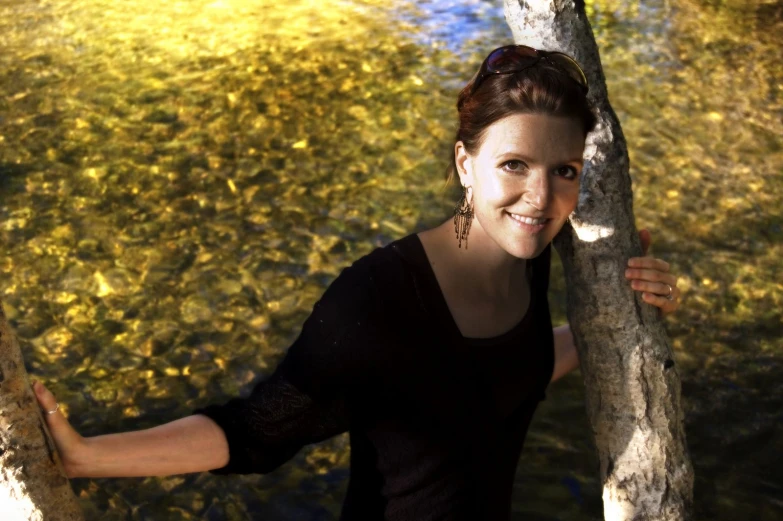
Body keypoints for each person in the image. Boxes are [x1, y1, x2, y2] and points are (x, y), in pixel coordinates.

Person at [32, 45, 681, 520]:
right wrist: (88, 456)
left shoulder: (531, 251)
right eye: (512, 164)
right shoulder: (377, 302)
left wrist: (624, 310)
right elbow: (256, 430)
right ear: (464, 162)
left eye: (563, 170)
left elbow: (509, 366)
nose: (540, 198)